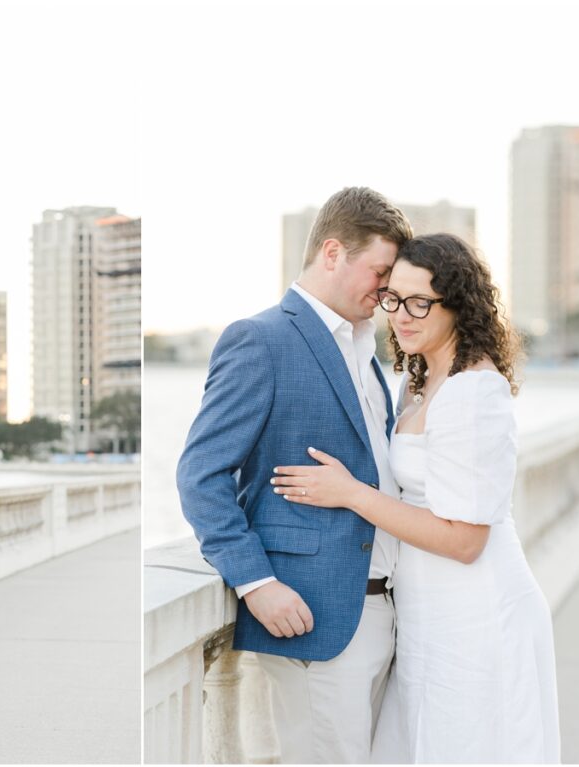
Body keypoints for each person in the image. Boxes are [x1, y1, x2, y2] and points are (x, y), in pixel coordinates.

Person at [271, 233, 560, 763]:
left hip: (476, 610)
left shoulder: (473, 392)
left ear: (459, 304)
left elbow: (467, 539)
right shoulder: (419, 381)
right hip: (427, 609)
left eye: (421, 302)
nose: (402, 316)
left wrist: (351, 494)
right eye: (393, 298)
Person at [177, 187, 414, 763]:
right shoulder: (260, 339)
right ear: (332, 253)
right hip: (313, 617)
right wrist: (256, 583)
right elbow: (200, 473)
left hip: (388, 610)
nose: (387, 293)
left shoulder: (366, 349)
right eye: (379, 272)